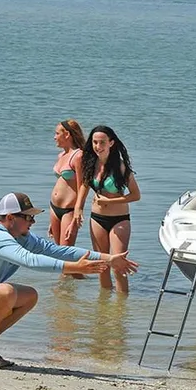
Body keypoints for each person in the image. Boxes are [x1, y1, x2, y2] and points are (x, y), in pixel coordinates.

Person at [0, 192, 138, 369]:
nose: (33, 221)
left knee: (28, 296)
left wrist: (109, 258)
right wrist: (75, 268)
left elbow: (58, 250)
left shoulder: (23, 238)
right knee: (7, 293)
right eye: (28, 217)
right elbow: (30, 260)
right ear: (10, 218)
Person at [70, 125, 141, 294]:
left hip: (119, 219)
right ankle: (104, 305)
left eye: (102, 142)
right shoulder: (90, 164)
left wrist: (110, 200)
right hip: (97, 219)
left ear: (111, 143)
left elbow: (135, 195)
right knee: (102, 265)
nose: (98, 146)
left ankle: (121, 305)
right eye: (95, 142)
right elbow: (84, 186)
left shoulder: (121, 167)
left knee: (118, 266)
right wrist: (78, 209)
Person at [49, 119, 85, 247]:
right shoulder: (61, 155)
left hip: (69, 210)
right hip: (54, 208)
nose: (54, 137)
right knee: (57, 252)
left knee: (66, 252)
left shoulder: (78, 156)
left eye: (57, 133)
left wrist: (77, 213)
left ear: (67, 134)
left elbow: (83, 187)